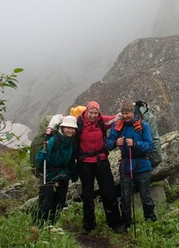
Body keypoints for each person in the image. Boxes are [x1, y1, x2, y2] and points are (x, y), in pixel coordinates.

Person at [75, 101, 125, 234]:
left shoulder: (102, 121)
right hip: (85, 162)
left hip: (101, 161)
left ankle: (114, 223)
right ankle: (88, 225)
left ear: (98, 113)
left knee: (109, 192)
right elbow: (61, 121)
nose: (92, 115)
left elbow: (116, 118)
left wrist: (130, 108)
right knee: (87, 194)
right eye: (91, 112)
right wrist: (49, 130)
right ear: (86, 111)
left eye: (95, 113)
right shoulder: (78, 122)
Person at [107, 99, 157, 228]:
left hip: (142, 165)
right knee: (125, 197)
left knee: (145, 196)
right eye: (123, 113)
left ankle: (150, 219)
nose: (125, 116)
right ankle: (126, 222)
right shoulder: (117, 126)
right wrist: (114, 143)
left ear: (133, 112)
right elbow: (108, 144)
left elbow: (150, 146)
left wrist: (135, 144)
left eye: (127, 113)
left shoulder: (143, 126)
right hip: (125, 165)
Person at [35, 115, 78, 225]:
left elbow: (71, 161)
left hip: (63, 175)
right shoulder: (54, 140)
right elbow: (42, 155)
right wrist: (40, 167)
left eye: (72, 128)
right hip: (50, 174)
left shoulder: (72, 142)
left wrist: (73, 176)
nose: (70, 130)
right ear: (62, 128)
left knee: (59, 203)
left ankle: (53, 224)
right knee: (46, 203)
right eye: (68, 128)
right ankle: (42, 225)